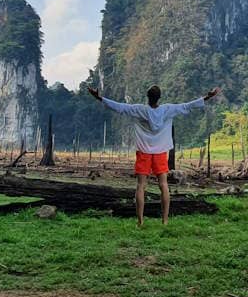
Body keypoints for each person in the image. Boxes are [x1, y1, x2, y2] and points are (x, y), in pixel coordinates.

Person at [88, 85, 220, 226]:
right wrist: (208, 97)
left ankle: (140, 221)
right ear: (159, 98)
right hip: (160, 153)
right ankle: (164, 221)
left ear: (147, 97)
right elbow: (188, 106)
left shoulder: (140, 110)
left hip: (144, 152)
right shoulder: (167, 110)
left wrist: (98, 97)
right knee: (163, 185)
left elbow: (119, 107)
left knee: (141, 186)